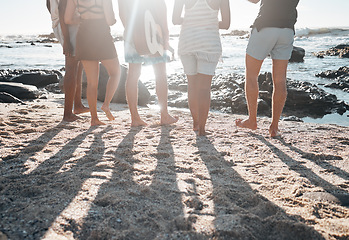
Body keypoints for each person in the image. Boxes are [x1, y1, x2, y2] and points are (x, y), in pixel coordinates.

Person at [235, 0, 300, 137]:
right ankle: (274, 127)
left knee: (251, 76)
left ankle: (252, 120)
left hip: (266, 26)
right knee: (280, 80)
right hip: (287, 30)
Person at [173, 0, 230, 136]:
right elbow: (226, 24)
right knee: (204, 88)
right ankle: (202, 129)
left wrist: (191, 20)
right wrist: (208, 22)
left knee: (192, 85)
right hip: (209, 43)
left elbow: (175, 19)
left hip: (187, 42)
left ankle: (196, 123)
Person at [118, 0, 178, 127]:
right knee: (160, 73)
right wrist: (165, 35)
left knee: (133, 74)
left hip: (131, 34)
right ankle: (164, 115)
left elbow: (122, 14)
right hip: (153, 32)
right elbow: (160, 8)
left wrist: (132, 32)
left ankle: (135, 118)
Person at [65, 0, 121, 126]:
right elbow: (110, 20)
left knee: (92, 82)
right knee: (116, 73)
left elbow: (68, 19)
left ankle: (94, 119)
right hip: (101, 34)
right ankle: (106, 105)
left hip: (84, 34)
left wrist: (82, 19)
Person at [46, 0, 89, 122]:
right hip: (67, 26)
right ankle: (68, 114)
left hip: (63, 23)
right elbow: (62, 8)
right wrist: (66, 39)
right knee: (71, 68)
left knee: (78, 66)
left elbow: (48, 5)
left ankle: (78, 105)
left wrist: (56, 20)